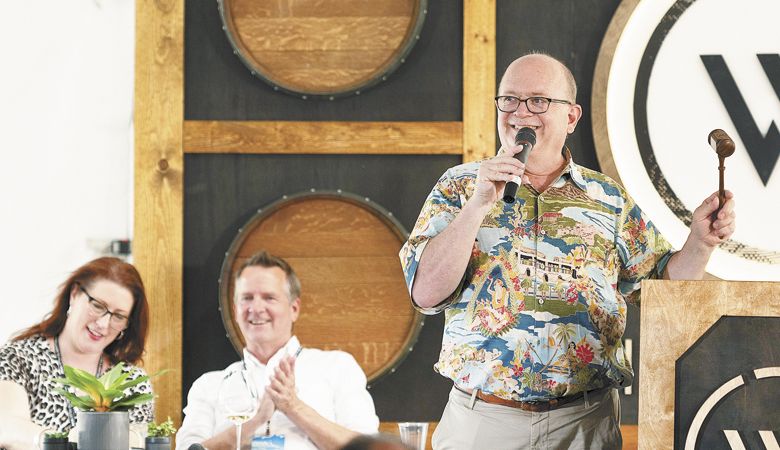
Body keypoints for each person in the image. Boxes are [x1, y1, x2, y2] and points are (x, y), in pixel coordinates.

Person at [400, 52, 736, 450]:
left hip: (584, 423)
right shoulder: (459, 187)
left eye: (538, 101)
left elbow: (664, 291)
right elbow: (424, 293)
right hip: (482, 421)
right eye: (509, 99)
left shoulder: (607, 199)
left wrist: (699, 242)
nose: (521, 113)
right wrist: (477, 206)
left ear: (572, 118)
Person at [176, 250, 379, 450]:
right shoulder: (209, 385)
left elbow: (369, 448)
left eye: (269, 297)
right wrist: (255, 421)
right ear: (235, 310)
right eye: (246, 298)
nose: (255, 308)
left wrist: (293, 406)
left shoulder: (337, 367)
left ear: (294, 309)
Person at [0, 257, 154, 450]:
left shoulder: (131, 381)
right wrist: (64, 442)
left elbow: (139, 439)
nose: (103, 324)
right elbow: (7, 427)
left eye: (118, 316)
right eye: (98, 306)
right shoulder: (18, 358)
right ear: (74, 294)